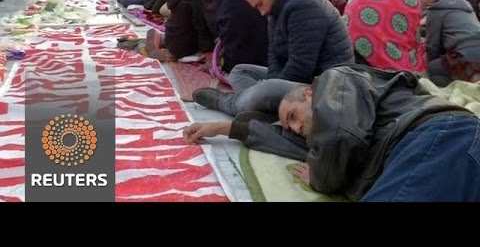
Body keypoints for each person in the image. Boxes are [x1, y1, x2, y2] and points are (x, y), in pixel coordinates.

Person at [184, 63, 480, 202]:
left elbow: (340, 136)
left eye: (293, 116)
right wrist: (227, 128)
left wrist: (321, 180)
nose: (297, 129)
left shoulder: (335, 80)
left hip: (440, 138)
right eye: (292, 128)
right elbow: (294, 143)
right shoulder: (331, 142)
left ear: (310, 94)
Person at [192, 0, 354, 117]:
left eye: (260, 4)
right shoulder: (277, 5)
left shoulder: (302, 5)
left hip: (326, 83)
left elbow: (301, 65)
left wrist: (272, 86)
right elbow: (274, 53)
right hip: (307, 77)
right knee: (240, 71)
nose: (261, 12)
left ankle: (232, 104)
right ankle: (258, 108)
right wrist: (273, 83)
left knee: (267, 87)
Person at [420, 0, 480, 86]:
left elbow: (432, 47)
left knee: (428, 70)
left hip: (463, 55)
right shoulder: (464, 4)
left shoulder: (436, 9)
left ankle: (460, 84)